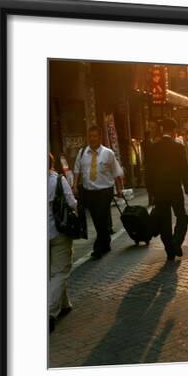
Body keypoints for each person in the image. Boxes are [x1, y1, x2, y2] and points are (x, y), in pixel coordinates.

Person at [147, 118, 188, 260]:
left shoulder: (153, 148)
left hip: (159, 191)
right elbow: (184, 171)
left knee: (164, 221)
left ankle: (169, 250)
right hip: (175, 189)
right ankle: (176, 242)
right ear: (174, 131)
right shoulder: (178, 147)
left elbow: (148, 171)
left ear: (162, 130)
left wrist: (151, 192)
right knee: (182, 216)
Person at [73, 125, 124, 260]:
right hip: (89, 192)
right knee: (97, 219)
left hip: (104, 191)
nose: (92, 139)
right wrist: (74, 186)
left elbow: (116, 172)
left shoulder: (108, 153)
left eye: (95, 136)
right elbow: (77, 170)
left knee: (101, 217)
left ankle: (98, 248)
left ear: (100, 137)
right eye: (90, 136)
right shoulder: (82, 152)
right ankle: (106, 243)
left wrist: (120, 188)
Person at [48, 153, 76, 332]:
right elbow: (71, 202)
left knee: (52, 272)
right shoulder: (58, 180)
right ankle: (49, 313)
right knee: (59, 271)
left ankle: (64, 303)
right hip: (57, 231)